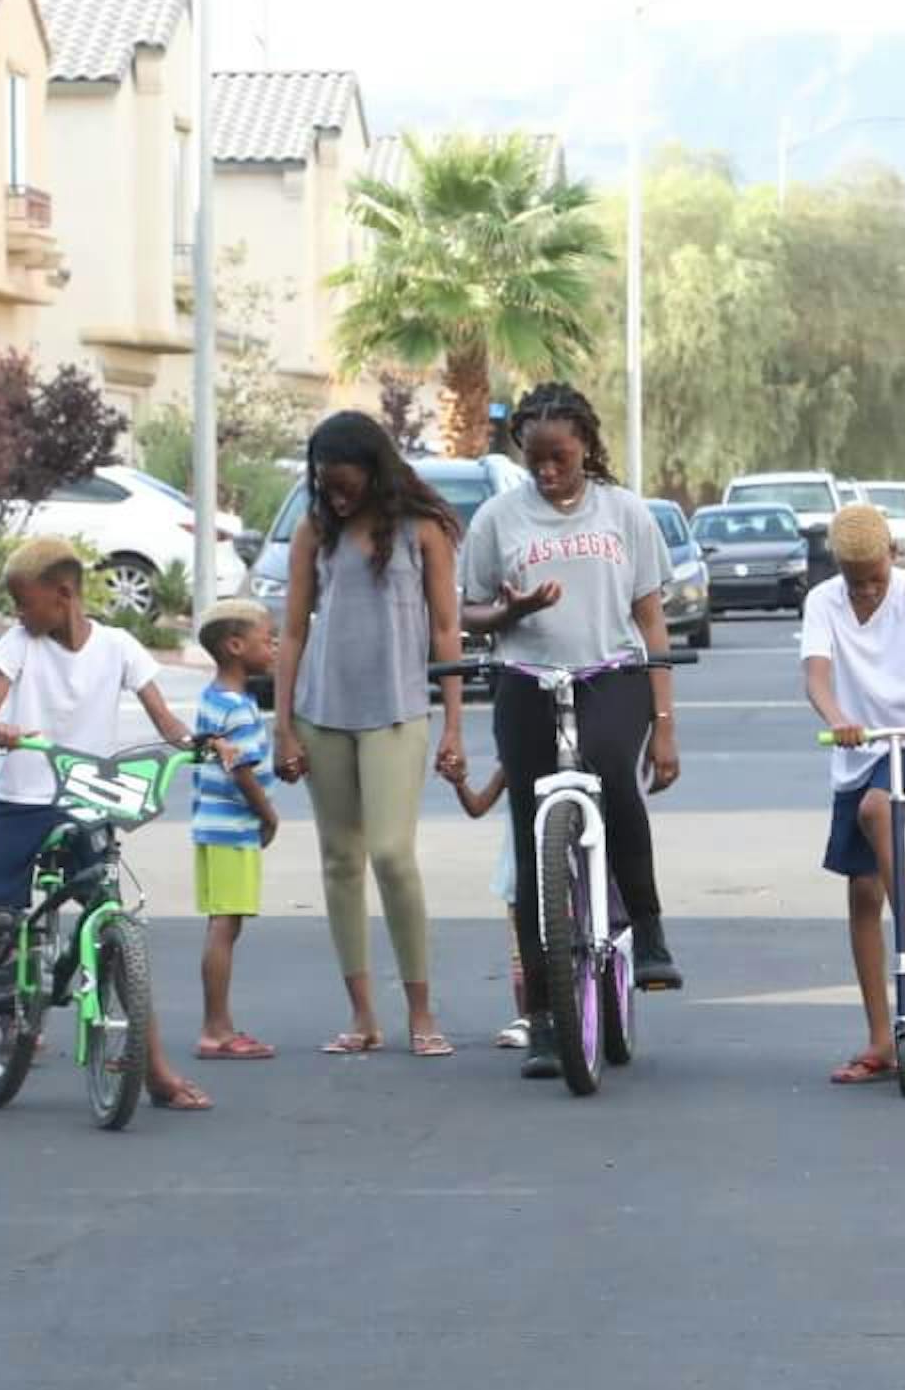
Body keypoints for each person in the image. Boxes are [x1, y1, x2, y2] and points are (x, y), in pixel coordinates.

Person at [0, 538, 212, 1116]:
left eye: (25, 603)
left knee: (115, 925)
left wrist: (199, 743)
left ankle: (154, 1071)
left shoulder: (119, 647)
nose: (19, 614)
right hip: (18, 803)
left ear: (64, 595)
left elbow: (165, 720)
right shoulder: (18, 644)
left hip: (86, 802)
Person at [460, 380, 683, 1081]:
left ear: (585, 444)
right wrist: (509, 613)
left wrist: (666, 725)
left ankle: (647, 930)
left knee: (612, 769)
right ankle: (546, 1021)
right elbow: (468, 612)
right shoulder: (497, 518)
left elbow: (650, 619)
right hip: (525, 680)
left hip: (610, 674)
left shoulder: (625, 512)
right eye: (535, 459)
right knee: (533, 842)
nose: (548, 470)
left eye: (559, 456)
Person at [271, 411, 469, 1057]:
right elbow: (292, 631)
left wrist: (454, 724)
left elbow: (447, 630)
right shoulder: (314, 531)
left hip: (398, 710)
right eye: (324, 485)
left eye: (345, 484)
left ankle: (422, 1011)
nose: (335, 496)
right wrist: (282, 727)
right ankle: (362, 1016)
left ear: (375, 471)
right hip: (321, 712)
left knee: (391, 855)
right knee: (339, 861)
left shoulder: (422, 529)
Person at [801, 503, 905, 1085]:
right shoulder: (822, 602)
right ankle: (881, 1038)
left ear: (893, 556)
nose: (868, 591)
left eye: (875, 578)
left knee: (879, 810)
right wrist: (837, 718)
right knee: (862, 893)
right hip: (855, 747)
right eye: (856, 583)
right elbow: (816, 675)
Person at [188, 598, 289, 1061]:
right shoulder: (239, 710)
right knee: (225, 926)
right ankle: (217, 1029)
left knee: (222, 923)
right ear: (234, 646)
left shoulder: (213, 699)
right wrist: (268, 815)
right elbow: (242, 770)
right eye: (266, 640)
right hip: (232, 827)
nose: (274, 647)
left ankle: (218, 1024)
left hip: (210, 824)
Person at [439, 754, 529, 1048]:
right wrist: (459, 783)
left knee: (570, 954)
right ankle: (528, 1018)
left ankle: (577, 1016)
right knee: (523, 959)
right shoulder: (515, 762)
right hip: (521, 878)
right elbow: (478, 807)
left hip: (570, 879)